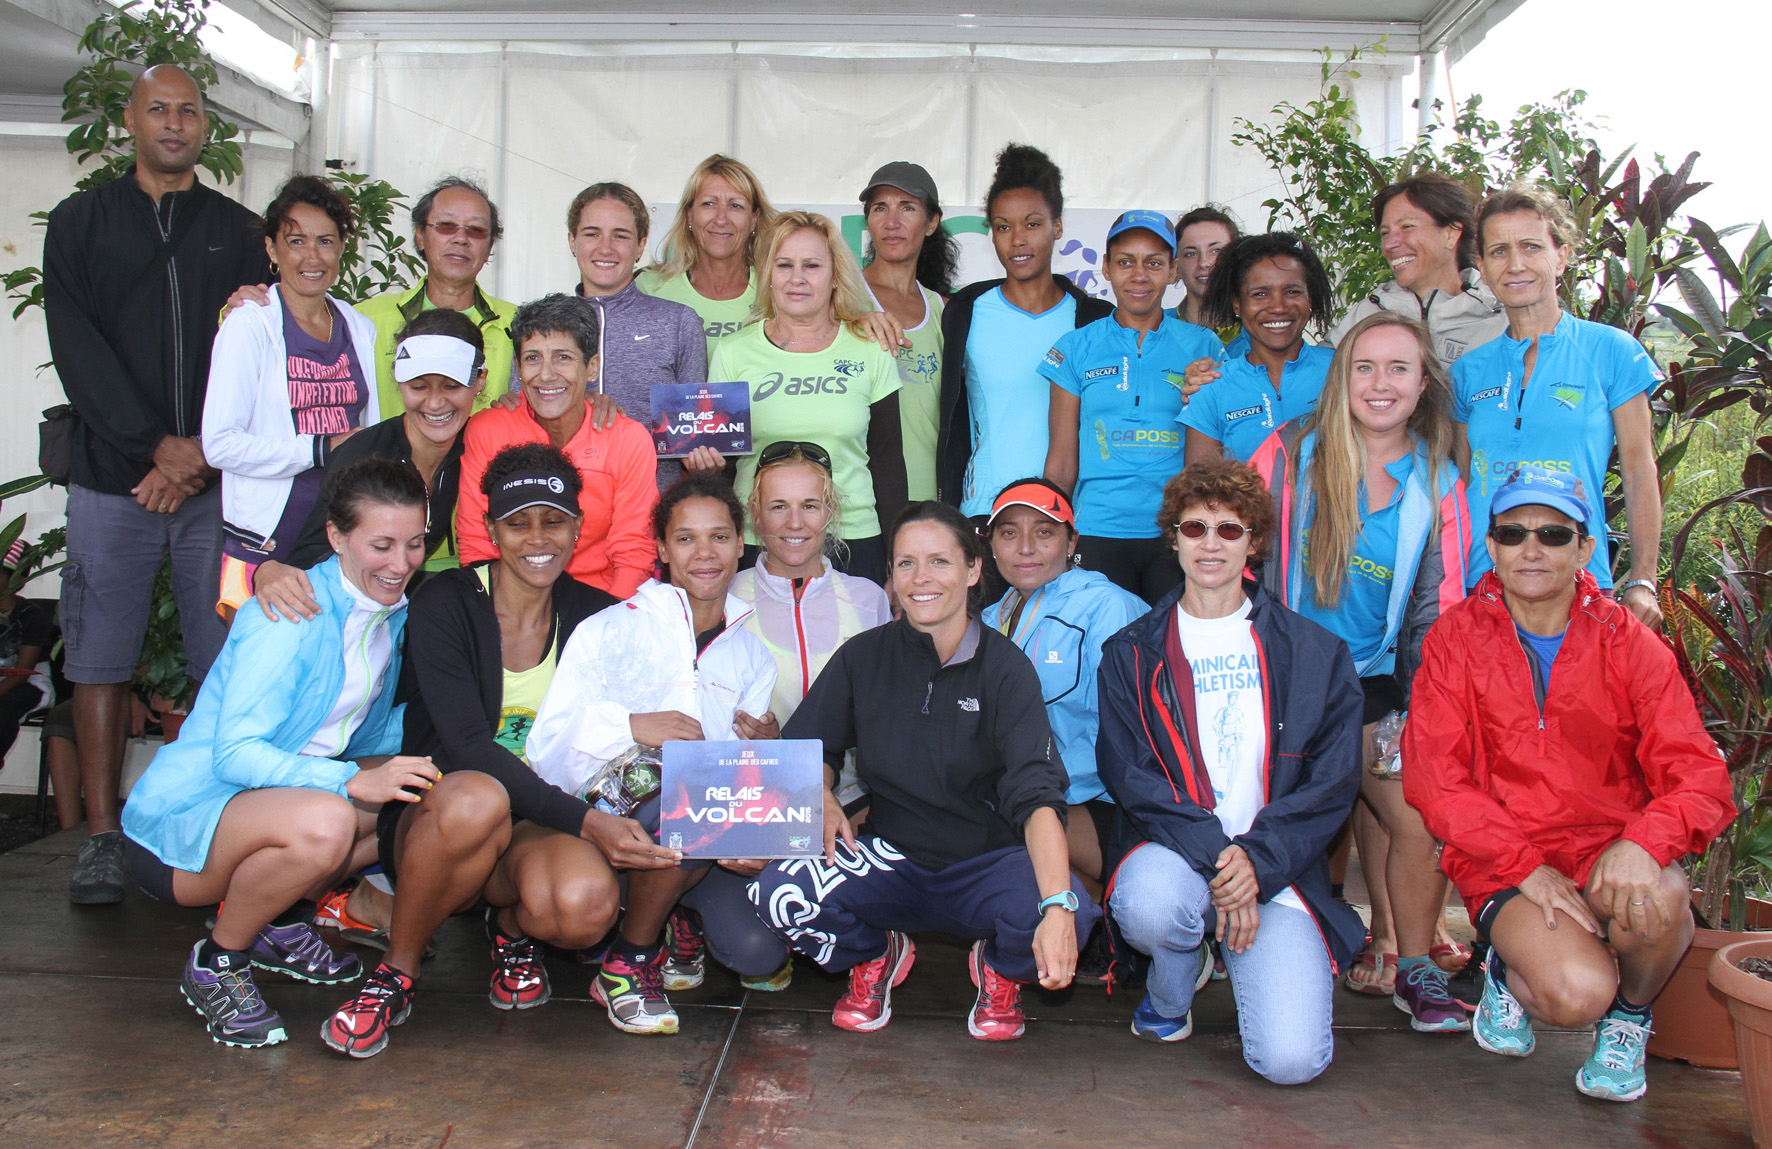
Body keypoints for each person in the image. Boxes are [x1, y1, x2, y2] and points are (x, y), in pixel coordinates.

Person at [1403, 465, 1733, 1103]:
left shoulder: (1631, 645)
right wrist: (1524, 867)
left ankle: (1631, 1017)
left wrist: (1645, 843)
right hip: (1507, 859)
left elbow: (1700, 775)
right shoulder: (1453, 640)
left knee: (1658, 902)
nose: (1532, 548)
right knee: (1575, 994)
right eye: (1514, 532)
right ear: (1491, 546)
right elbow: (1437, 781)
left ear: (1585, 549)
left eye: (1554, 534)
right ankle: (1508, 964)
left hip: (1608, 851)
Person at [42, 63, 271, 905]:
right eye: (158, 109)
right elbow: (79, 350)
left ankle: (210, 823)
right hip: (114, 483)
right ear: (130, 121)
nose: (174, 123)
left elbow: (264, 356)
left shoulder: (245, 231)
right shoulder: (79, 223)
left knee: (229, 656)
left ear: (205, 127)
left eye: (189, 111)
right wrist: (153, 451)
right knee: (99, 658)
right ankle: (103, 835)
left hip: (218, 491)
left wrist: (201, 457)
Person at [119, 459, 443, 1048]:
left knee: (426, 793)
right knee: (329, 821)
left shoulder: (382, 614)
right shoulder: (288, 617)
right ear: (337, 537)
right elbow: (236, 755)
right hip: (181, 827)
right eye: (382, 545)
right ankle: (219, 959)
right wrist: (347, 783)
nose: (401, 564)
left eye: (415, 544)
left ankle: (279, 919)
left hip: (266, 806)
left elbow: (358, 738)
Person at [749, 500, 1099, 1042]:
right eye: (905, 564)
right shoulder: (863, 657)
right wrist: (823, 797)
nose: (921, 579)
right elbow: (808, 746)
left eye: (939, 561)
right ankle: (877, 952)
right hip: (891, 857)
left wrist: (1054, 905)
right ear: (889, 576)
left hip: (987, 863)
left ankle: (1002, 968)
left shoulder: (1006, 669)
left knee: (1069, 916)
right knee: (777, 892)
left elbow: (1037, 795)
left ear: (973, 569)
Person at [319, 444, 626, 1057]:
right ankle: (397, 972)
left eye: (554, 521)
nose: (537, 538)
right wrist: (590, 822)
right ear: (490, 530)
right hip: (446, 812)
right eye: (518, 523)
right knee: (477, 794)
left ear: (577, 527)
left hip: (536, 823)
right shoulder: (447, 602)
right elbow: (466, 747)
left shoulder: (601, 616)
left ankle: (507, 928)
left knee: (585, 907)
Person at [1099, 459, 1364, 1085]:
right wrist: (1225, 864)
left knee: (1291, 1064)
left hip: (1278, 868)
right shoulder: (1132, 652)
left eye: (1229, 528)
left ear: (1255, 542)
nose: (1210, 542)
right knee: (1153, 908)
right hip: (1181, 856)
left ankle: (1232, 937)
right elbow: (1129, 774)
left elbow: (1333, 783)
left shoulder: (1316, 653)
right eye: (1194, 527)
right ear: (1174, 538)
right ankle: (1173, 988)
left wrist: (1257, 863)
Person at [1247, 312, 1473, 1031]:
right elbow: (1237, 562)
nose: (1381, 384)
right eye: (1365, 367)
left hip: (1370, 683)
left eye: (1399, 368)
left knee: (1418, 815)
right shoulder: (1286, 454)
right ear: (1342, 377)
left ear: (1423, 381)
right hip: (1276, 673)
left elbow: (1441, 609)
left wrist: (1419, 712)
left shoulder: (1439, 480)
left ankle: (1416, 968)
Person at [526, 473, 783, 1035]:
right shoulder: (608, 630)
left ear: (742, 546)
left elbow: (744, 783)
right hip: (610, 826)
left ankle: (674, 912)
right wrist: (631, 725)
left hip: (701, 833)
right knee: (683, 808)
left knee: (759, 953)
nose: (705, 554)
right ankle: (630, 960)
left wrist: (767, 753)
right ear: (662, 550)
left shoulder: (754, 656)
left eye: (719, 537)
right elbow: (544, 748)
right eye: (686, 539)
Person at [1454, 184, 1664, 627]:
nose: (1515, 265)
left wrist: (1643, 580)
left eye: (1532, 247)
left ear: (1561, 256)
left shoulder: (1611, 351)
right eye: (1498, 251)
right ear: (1482, 268)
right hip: (1482, 588)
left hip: (1579, 584)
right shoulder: (1467, 372)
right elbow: (1456, 482)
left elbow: (1639, 470)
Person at [979, 479, 1144, 977]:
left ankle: (1112, 915)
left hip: (1102, 801)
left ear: (1072, 544)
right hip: (1034, 792)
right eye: (1009, 533)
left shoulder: (1105, 606)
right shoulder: (989, 618)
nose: (1026, 548)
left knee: (999, 816)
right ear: (990, 546)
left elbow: (1133, 734)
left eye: (1044, 532)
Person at [203, 174, 381, 619]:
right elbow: (219, 443)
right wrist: (320, 447)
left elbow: (369, 428)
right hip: (266, 541)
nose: (311, 256)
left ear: (342, 247)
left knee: (332, 673)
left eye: (325, 241)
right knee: (264, 672)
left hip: (339, 533)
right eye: (296, 241)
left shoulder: (358, 326)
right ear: (271, 249)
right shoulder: (249, 324)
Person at [707, 212, 907, 584]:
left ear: (835, 277)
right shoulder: (733, 353)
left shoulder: (871, 349)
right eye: (784, 265)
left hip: (855, 540)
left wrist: (899, 559)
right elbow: (725, 466)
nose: (796, 278)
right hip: (759, 539)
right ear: (768, 274)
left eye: (812, 265)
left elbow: (888, 462)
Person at [248, 308, 484, 622]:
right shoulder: (365, 456)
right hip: (333, 616)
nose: (435, 403)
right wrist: (266, 570)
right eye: (419, 387)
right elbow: (310, 556)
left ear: (480, 380)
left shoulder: (478, 442)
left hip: (398, 608)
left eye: (451, 386)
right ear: (398, 382)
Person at [1042, 210, 1225, 602]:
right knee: (1103, 654)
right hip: (1097, 528)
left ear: (1173, 271)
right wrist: (1054, 531)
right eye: (1125, 262)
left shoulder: (1204, 346)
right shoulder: (1076, 347)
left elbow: (1212, 451)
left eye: (1154, 263)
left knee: (1170, 654)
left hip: (1175, 531)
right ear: (1106, 267)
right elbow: (1060, 461)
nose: (1139, 276)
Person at [938, 143, 1112, 517]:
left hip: (1069, 514)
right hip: (983, 511)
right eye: (1003, 227)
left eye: (1032, 224)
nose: (1017, 239)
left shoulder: (1095, 319)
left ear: (1058, 226)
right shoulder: (964, 312)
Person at [457, 294, 659, 599]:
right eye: (532, 358)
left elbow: (634, 552)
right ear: (518, 366)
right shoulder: (488, 430)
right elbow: (477, 544)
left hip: (600, 602)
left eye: (563, 357)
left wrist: (612, 626)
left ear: (591, 368)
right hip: (507, 604)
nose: (546, 374)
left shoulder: (627, 438)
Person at [729, 441, 891, 766]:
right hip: (753, 798)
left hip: (852, 802)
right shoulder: (727, 597)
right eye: (778, 506)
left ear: (830, 512)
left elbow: (889, 717)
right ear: (756, 514)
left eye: (810, 505)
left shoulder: (869, 600)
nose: (795, 522)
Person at [564, 182, 707, 488]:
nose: (605, 248)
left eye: (621, 235)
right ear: (572, 240)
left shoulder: (678, 322)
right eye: (592, 234)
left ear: (641, 245)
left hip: (651, 510)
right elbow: (524, 418)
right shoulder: (543, 323)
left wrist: (704, 456)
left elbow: (695, 432)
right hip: (560, 511)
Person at [1178, 232, 1335, 465]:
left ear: (1310, 298)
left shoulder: (1342, 370)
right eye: (1260, 294)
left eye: (1292, 291)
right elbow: (1202, 493)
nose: (1278, 307)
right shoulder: (1212, 389)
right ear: (1237, 304)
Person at [1327, 173, 1506, 366]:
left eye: (1407, 226)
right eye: (1385, 233)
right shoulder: (1369, 312)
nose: (1390, 244)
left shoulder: (1496, 314)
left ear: (1451, 234)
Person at [859, 161, 958, 503]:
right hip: (862, 499)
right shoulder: (841, 299)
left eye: (908, 208)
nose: (892, 222)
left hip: (931, 496)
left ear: (932, 223)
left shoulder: (943, 308)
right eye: (880, 208)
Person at [638, 154, 778, 357]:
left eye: (735, 205)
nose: (721, 219)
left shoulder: (776, 290)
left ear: (754, 219)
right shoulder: (651, 288)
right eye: (709, 204)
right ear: (689, 215)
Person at [1172, 205, 1250, 359]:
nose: (1204, 262)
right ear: (1176, 267)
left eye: (1216, 251)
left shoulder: (1260, 334)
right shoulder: (1156, 330)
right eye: (1190, 253)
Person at [0, 538, 53, 758]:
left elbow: (22, 673)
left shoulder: (33, 616)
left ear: (18, 580)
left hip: (28, 682)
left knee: (4, 710)